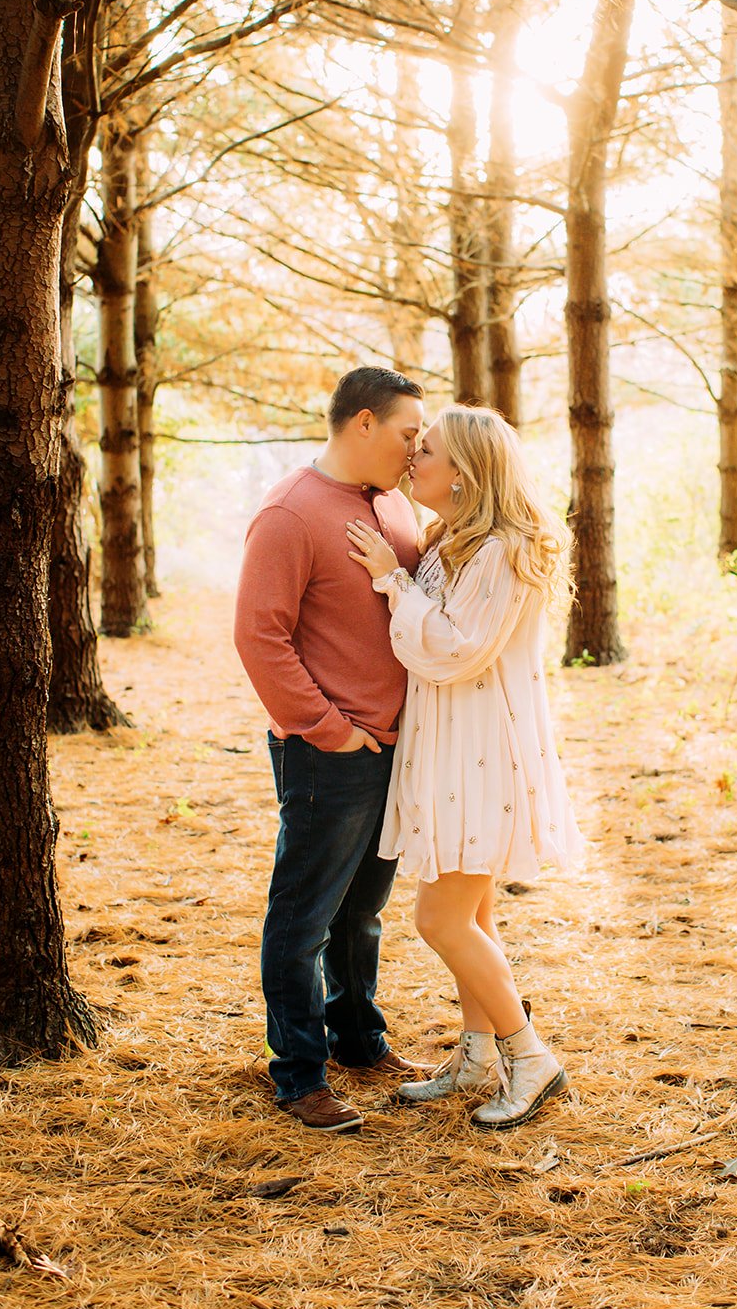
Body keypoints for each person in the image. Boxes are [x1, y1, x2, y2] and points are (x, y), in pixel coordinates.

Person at [346, 405, 584, 1128]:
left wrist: (393, 581)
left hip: (482, 753)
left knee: (439, 919)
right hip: (455, 746)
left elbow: (452, 650)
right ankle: (478, 1052)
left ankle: (529, 1054)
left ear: (466, 473)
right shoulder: (456, 541)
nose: (414, 459)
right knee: (474, 912)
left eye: (429, 452)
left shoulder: (503, 550)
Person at [234, 366, 429, 1134]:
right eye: (408, 435)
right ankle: (300, 1076)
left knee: (362, 914)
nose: (417, 452)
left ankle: (358, 1042)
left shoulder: (392, 504)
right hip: (329, 751)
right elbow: (259, 636)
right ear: (362, 425)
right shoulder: (289, 512)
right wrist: (331, 730)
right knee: (304, 917)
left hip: (391, 747)